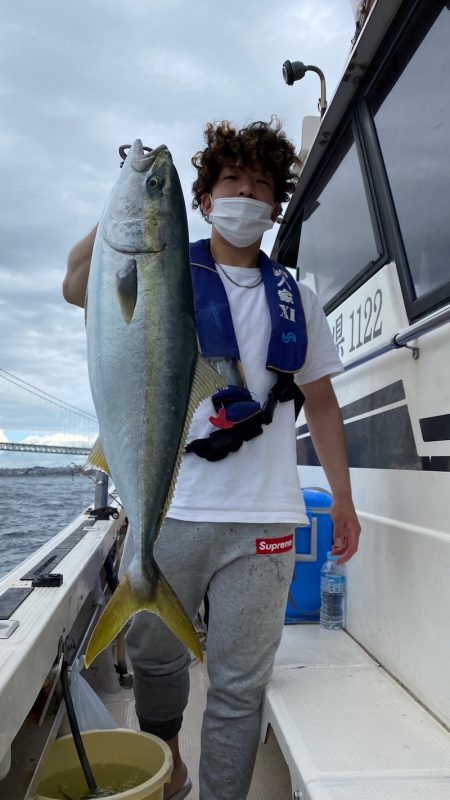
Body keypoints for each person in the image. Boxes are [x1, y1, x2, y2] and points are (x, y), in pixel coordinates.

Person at [63, 117, 361, 800]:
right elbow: (77, 285)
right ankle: (169, 766)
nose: (246, 195)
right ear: (202, 200)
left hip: (266, 521)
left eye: (261, 186)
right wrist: (129, 201)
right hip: (169, 507)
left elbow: (320, 403)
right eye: (232, 181)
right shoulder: (160, 267)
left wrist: (342, 499)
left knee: (238, 685)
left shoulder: (298, 301)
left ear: (276, 207)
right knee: (155, 658)